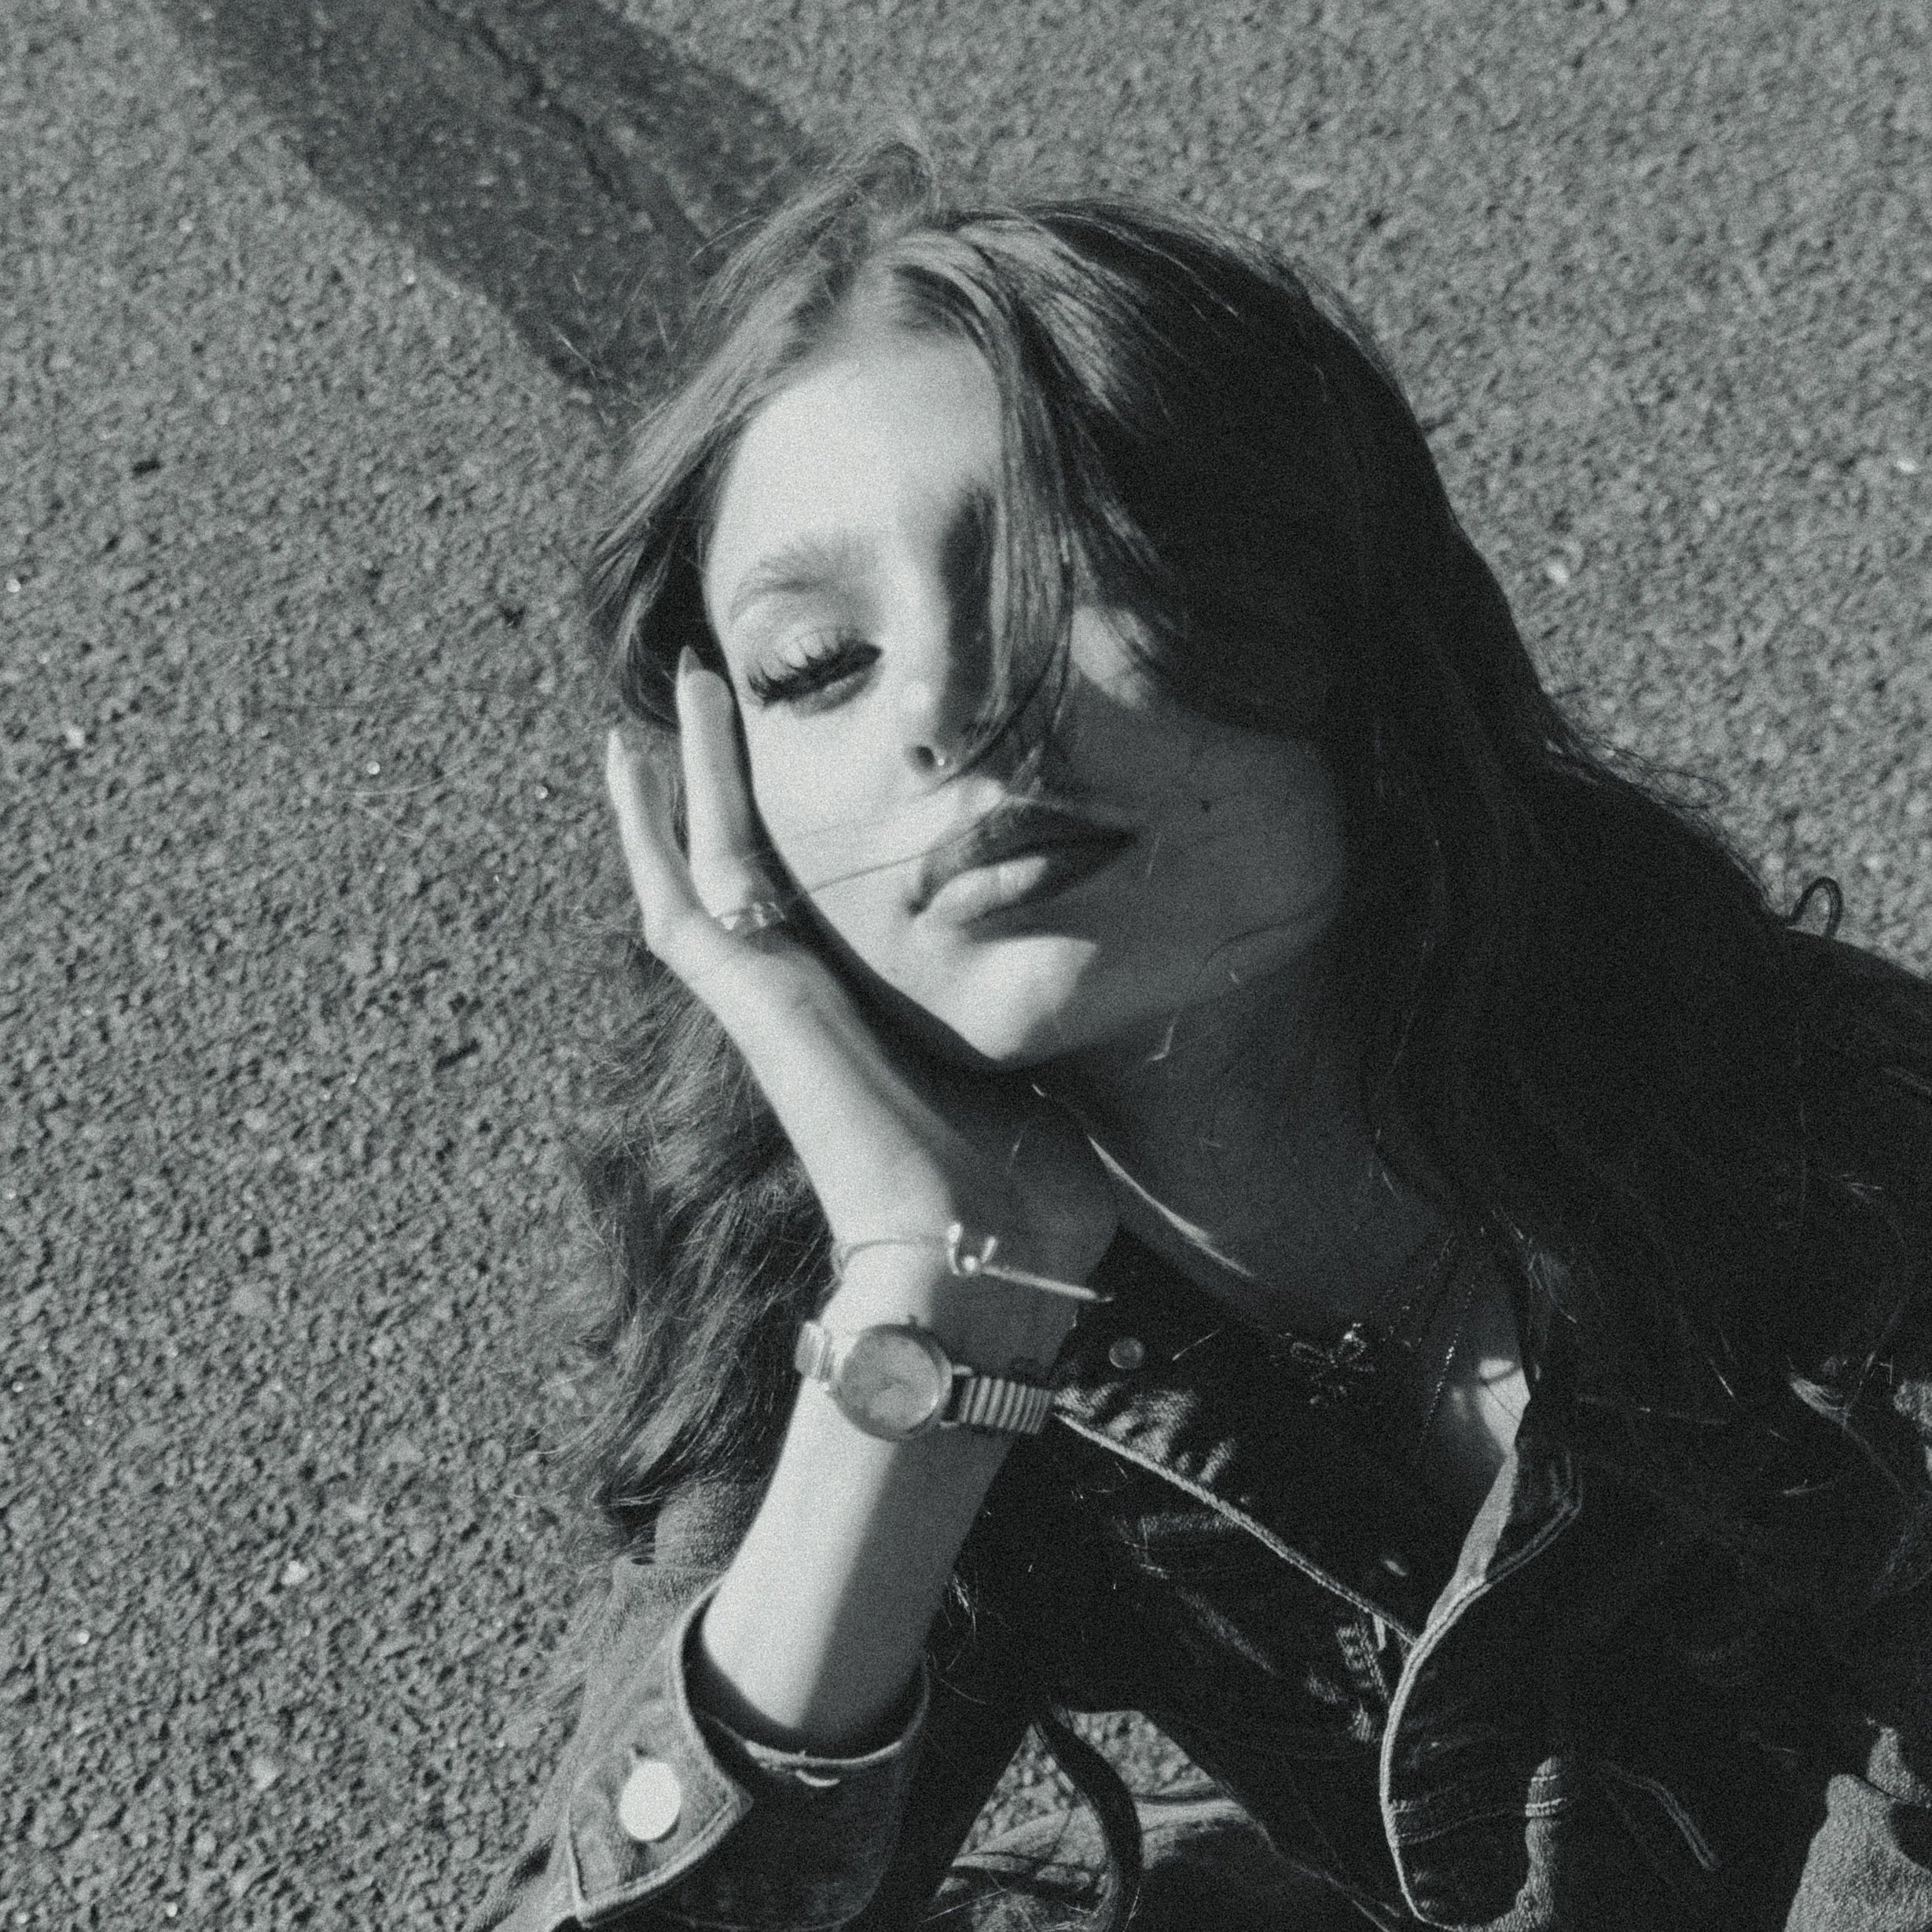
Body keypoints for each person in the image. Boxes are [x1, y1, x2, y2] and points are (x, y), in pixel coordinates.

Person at [470, 142, 1932, 1931]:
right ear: (725, 802)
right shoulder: (843, 1267)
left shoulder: (1849, 1180)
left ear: (1340, 621)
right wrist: (938, 1328)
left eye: (1052, 571)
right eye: (811, 666)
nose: (940, 705)